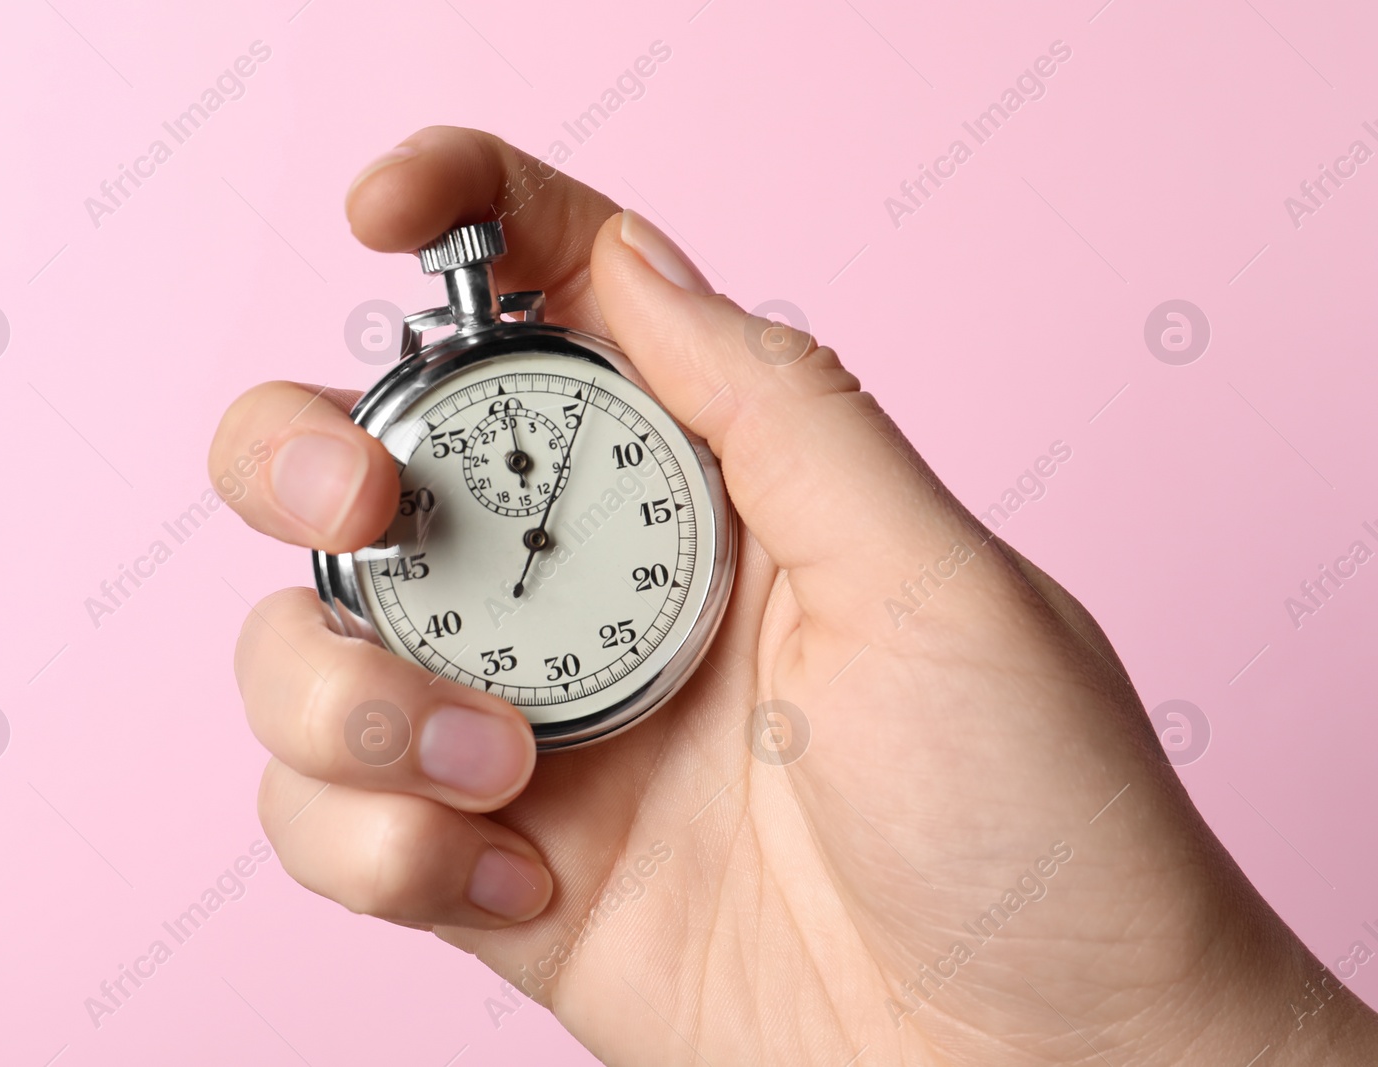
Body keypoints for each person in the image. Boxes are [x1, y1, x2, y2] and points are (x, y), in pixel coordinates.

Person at [208, 126, 1376, 1065]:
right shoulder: (430, 441)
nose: (534, 540)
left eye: (545, 512)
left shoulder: (630, 420)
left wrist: (1154, 1035)